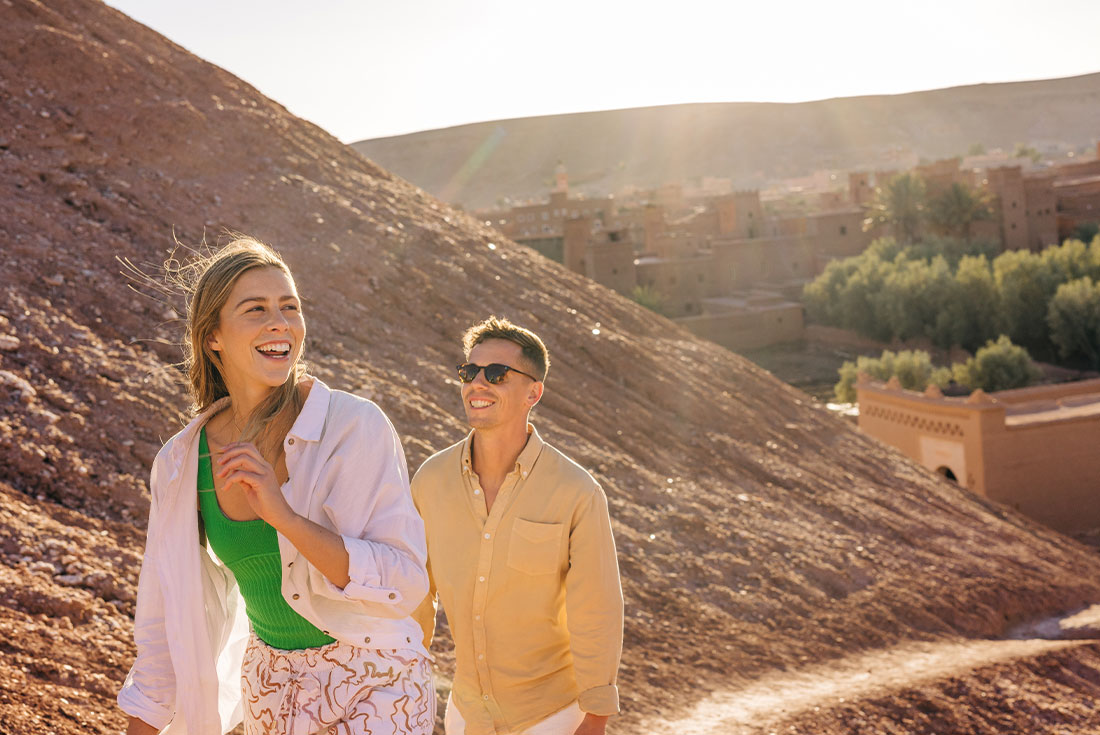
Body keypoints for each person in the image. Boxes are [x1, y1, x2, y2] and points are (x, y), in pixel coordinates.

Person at [118, 237, 433, 735]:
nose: (280, 323)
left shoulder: (354, 426)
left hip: (376, 680)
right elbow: (163, 618)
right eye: (256, 309)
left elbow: (405, 581)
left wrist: (282, 515)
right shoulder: (181, 464)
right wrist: (144, 721)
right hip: (269, 686)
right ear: (212, 337)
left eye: (290, 306)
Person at [412, 316, 623, 735]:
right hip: (466, 714)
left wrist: (596, 715)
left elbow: (596, 609)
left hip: (553, 715)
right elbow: (417, 592)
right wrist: (404, 668)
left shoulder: (577, 491)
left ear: (534, 392)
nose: (478, 384)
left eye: (497, 374)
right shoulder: (430, 481)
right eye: (469, 372)